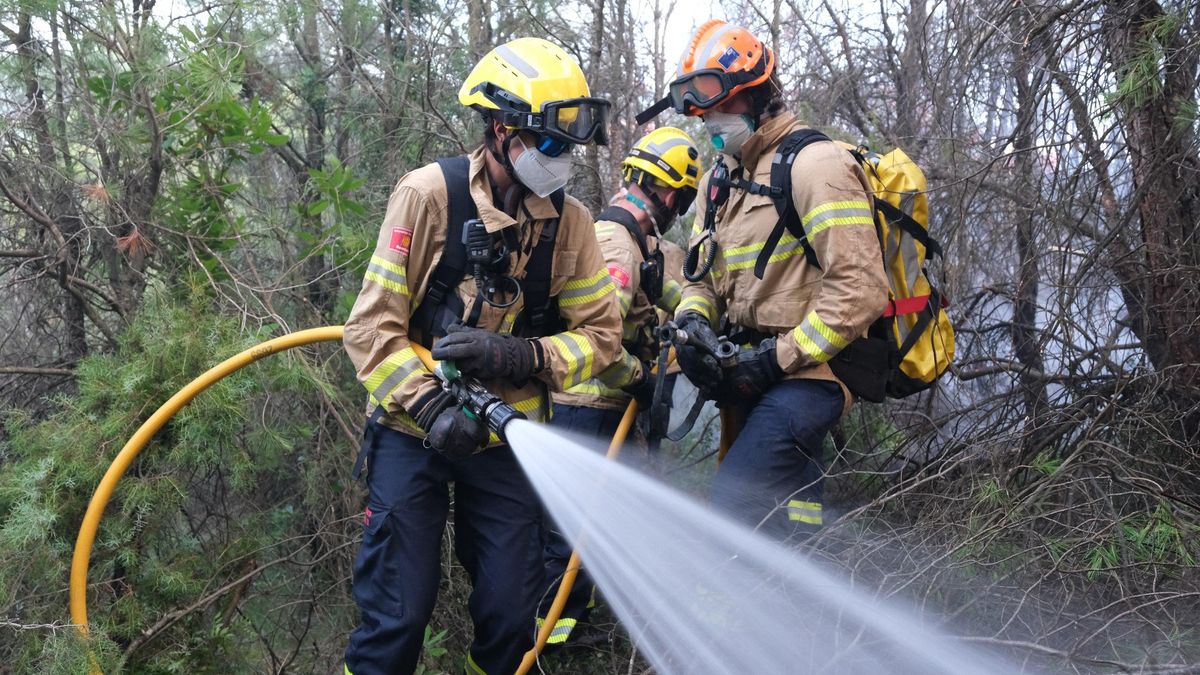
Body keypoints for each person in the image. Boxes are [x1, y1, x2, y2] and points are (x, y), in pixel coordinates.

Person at [341, 37, 622, 675]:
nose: (561, 159)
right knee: (398, 614)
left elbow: (601, 337)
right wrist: (431, 406)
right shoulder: (428, 197)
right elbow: (370, 329)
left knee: (507, 617)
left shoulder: (570, 224)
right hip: (412, 432)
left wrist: (525, 355)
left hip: (509, 444)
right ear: (502, 130)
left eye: (569, 146)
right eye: (549, 142)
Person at [638, 19, 888, 541]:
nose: (709, 122)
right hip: (748, 368)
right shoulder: (718, 181)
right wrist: (691, 322)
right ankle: (806, 576)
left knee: (737, 498)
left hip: (816, 370)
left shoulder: (817, 166)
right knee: (790, 505)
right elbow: (702, 279)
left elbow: (861, 289)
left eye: (718, 108)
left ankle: (751, 603)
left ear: (756, 94)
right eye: (700, 112)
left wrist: (775, 360)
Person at [535, 127, 700, 646]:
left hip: (604, 407)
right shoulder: (616, 244)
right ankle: (548, 641)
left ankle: (567, 629)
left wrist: (699, 319)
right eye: (685, 199)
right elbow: (597, 340)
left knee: (592, 524)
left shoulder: (638, 239)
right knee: (570, 531)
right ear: (672, 193)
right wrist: (642, 381)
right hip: (586, 406)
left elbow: (667, 292)